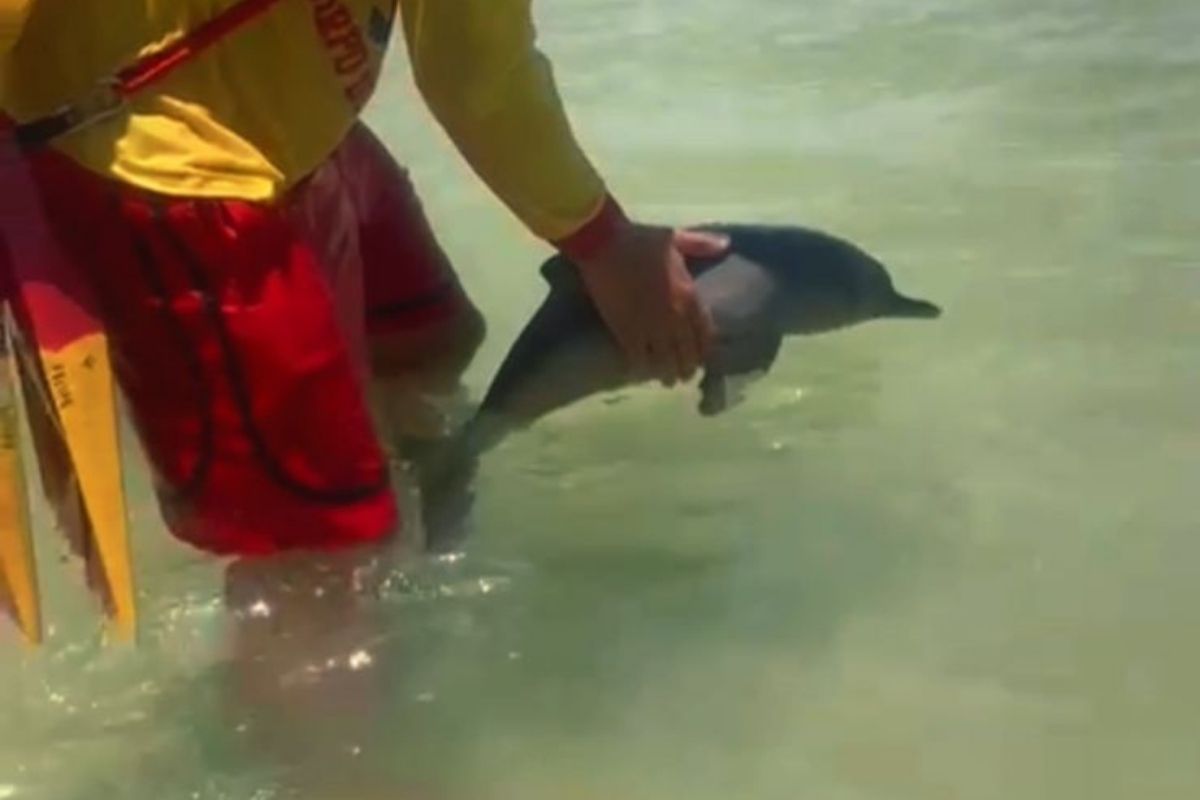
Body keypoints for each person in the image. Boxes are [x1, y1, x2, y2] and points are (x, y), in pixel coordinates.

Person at [1, 0, 728, 556]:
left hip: (277, 96)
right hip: (168, 166)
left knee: (428, 342)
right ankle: (315, 673)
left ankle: (412, 510)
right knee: (324, 559)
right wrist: (604, 243)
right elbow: (477, 77)